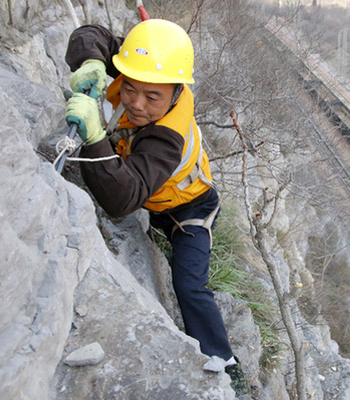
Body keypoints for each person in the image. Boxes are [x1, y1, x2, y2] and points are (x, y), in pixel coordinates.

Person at [64, 19, 250, 397]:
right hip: (156, 199)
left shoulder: (167, 136)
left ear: (176, 92)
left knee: (189, 284)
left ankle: (226, 361)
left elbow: (122, 200)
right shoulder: (147, 70)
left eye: (152, 97)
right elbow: (91, 34)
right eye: (129, 89)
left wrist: (95, 139)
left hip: (190, 210)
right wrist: (92, 62)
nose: (136, 103)